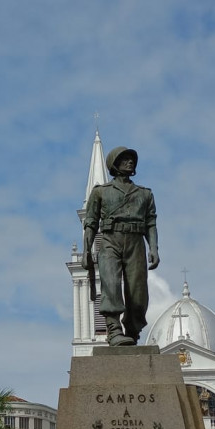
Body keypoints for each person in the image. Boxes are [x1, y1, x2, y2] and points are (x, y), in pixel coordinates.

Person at [82, 146, 159, 346]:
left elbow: (151, 223)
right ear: (114, 164)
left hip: (136, 243)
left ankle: (132, 331)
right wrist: (87, 250)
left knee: (138, 293)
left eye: (132, 159)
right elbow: (91, 222)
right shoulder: (100, 192)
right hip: (110, 241)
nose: (130, 162)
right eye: (124, 159)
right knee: (111, 285)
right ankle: (114, 330)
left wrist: (154, 248)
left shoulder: (145, 194)